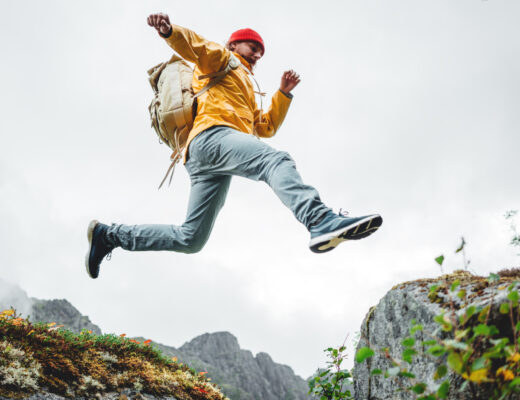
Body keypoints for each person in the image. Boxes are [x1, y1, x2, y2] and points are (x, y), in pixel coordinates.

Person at [85, 13, 383, 279]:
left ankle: (109, 236)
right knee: (276, 162)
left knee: (192, 239)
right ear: (233, 45)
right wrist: (169, 31)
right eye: (252, 47)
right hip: (211, 136)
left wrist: (282, 94)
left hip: (203, 158)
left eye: (260, 52)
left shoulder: (247, 90)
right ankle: (320, 220)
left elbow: (264, 127)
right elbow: (196, 45)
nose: (256, 55)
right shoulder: (222, 60)